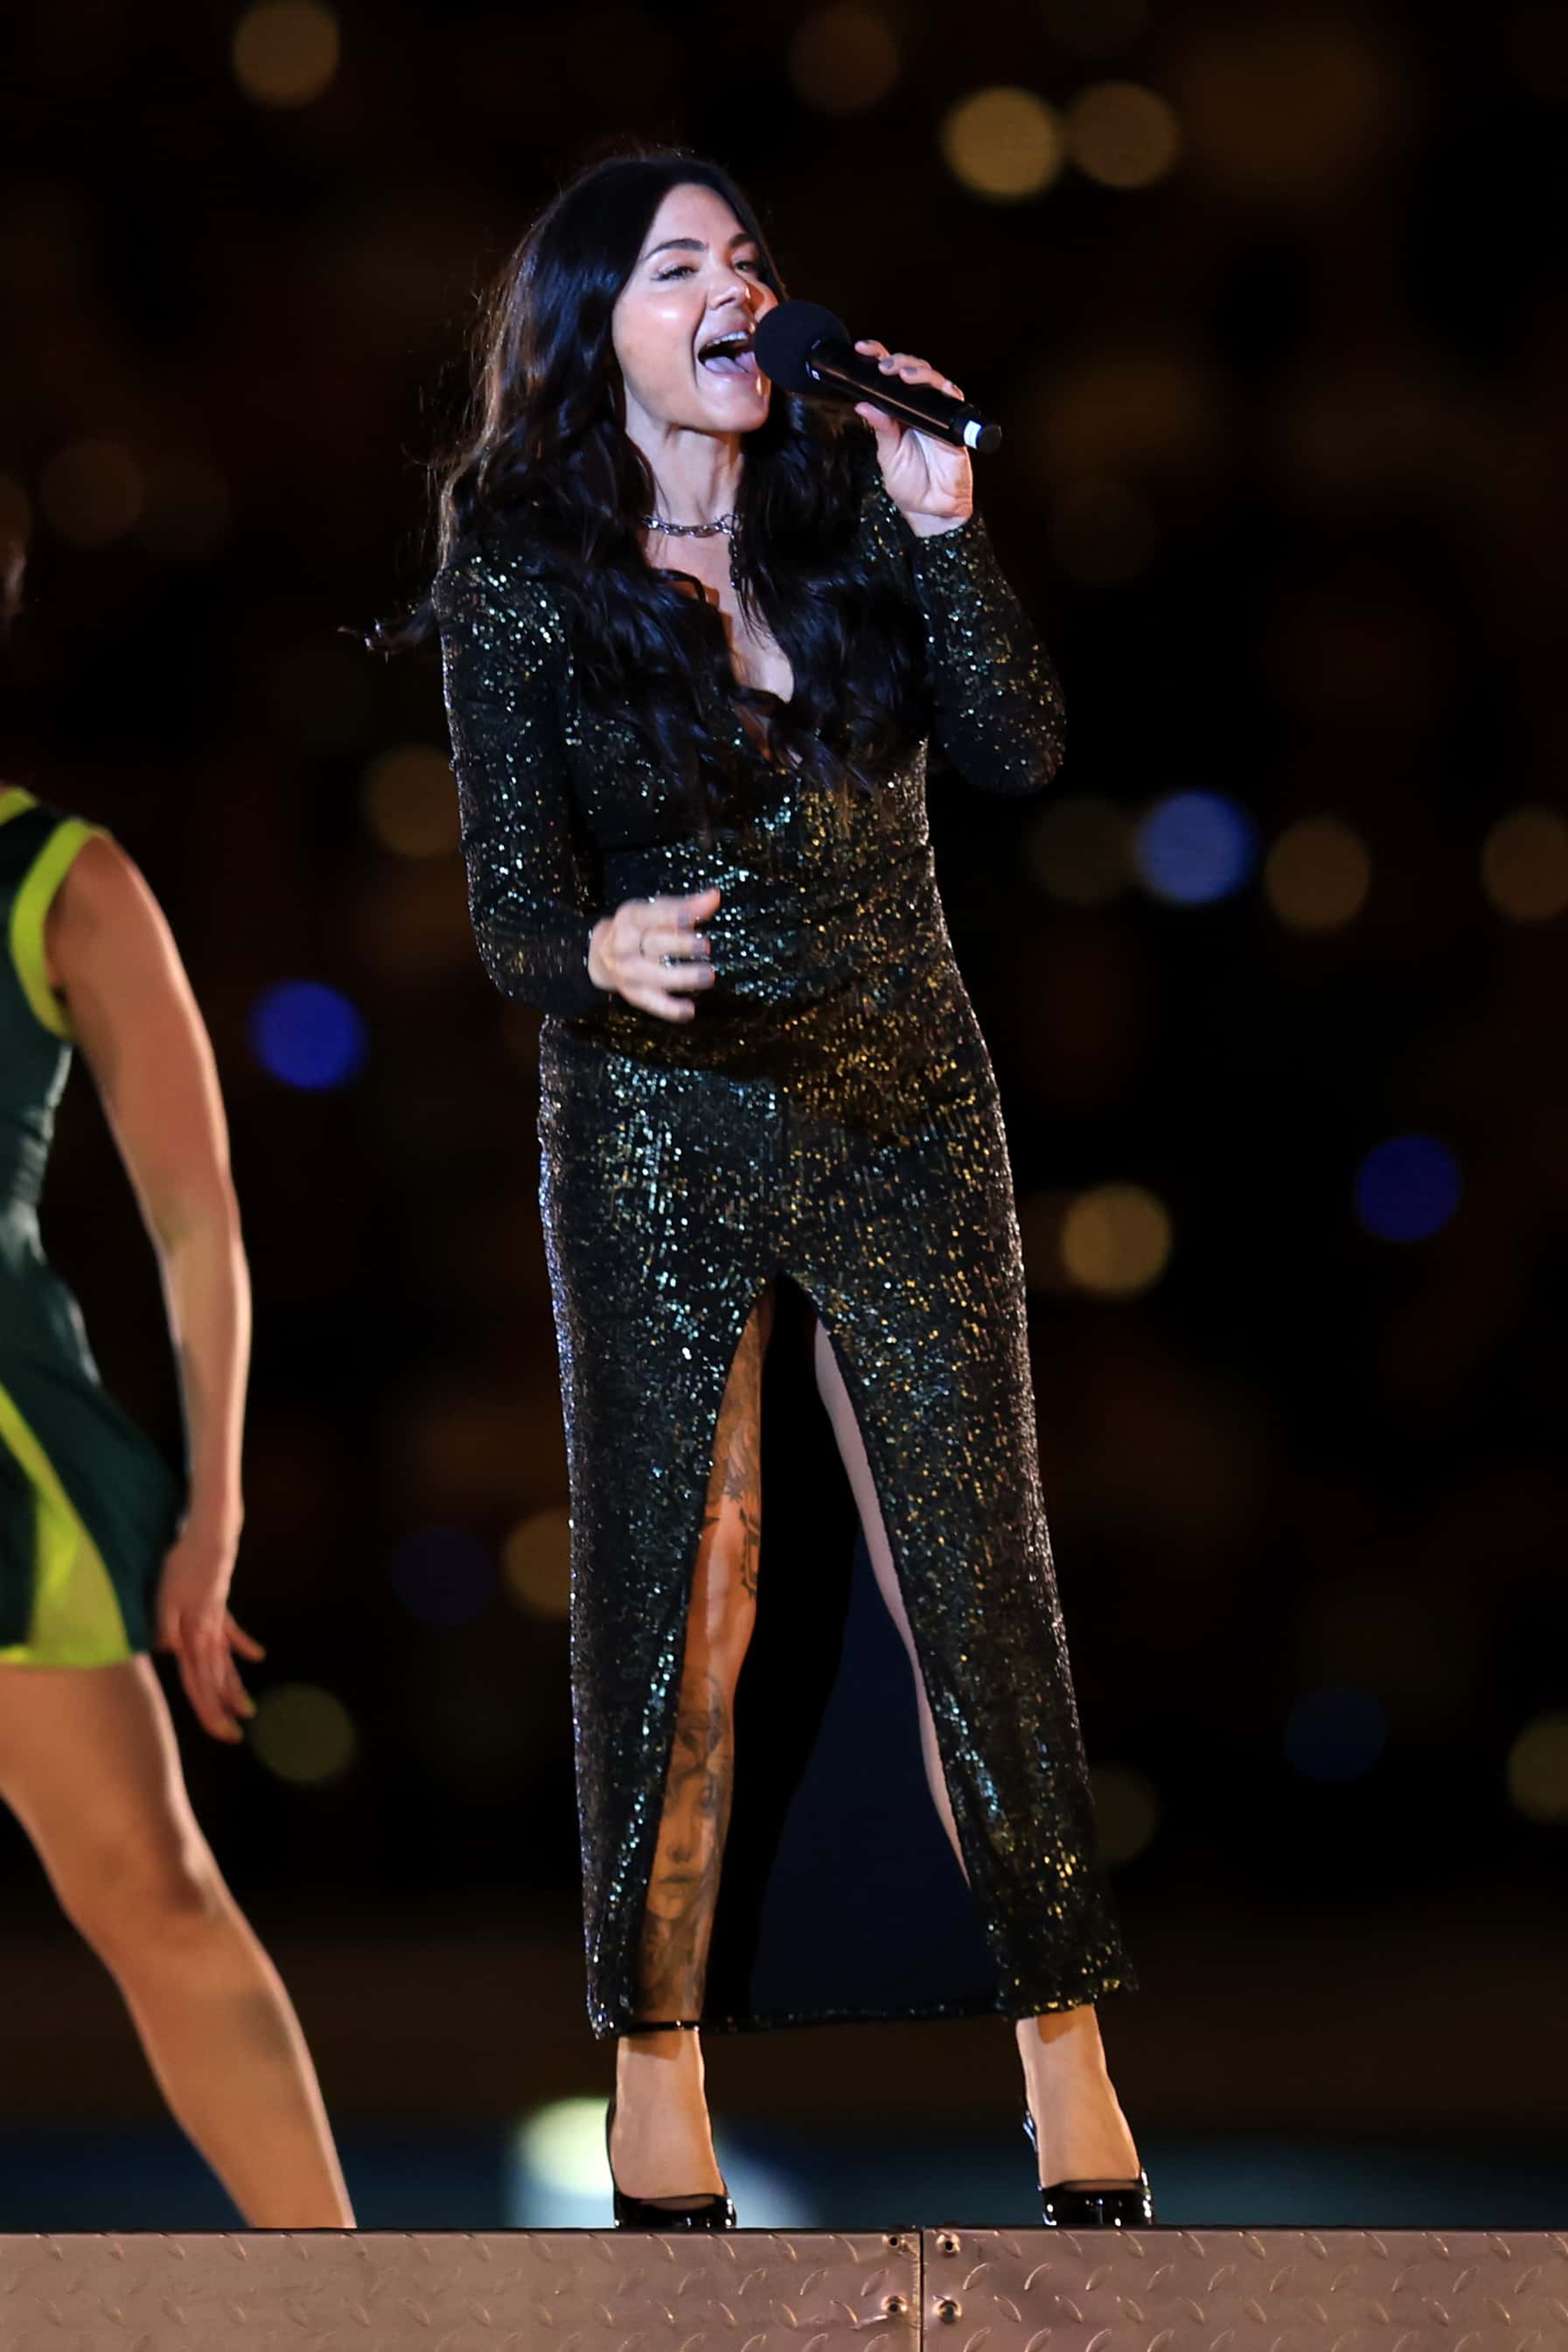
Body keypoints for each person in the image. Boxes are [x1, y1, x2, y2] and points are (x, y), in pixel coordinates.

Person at [417, 149, 1149, 2230]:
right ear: (597, 327)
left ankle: (1069, 2062)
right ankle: (657, 2066)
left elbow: (1014, 745)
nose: (736, 290)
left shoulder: (851, 499)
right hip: (660, 1106)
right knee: (691, 1586)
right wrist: (592, 958)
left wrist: (947, 536)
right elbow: (505, 903)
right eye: (681, 266)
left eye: (749, 258)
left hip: (905, 1084)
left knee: (974, 1576)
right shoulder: (522, 550)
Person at [0, 774, 354, 2229]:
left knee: (154, 1890)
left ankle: (339, 2310)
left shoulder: (58, 875)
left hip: (8, 1454)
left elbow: (196, 1212)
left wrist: (214, 1507)